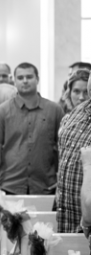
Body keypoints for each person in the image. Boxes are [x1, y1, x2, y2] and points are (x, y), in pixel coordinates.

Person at [0, 62, 64, 195]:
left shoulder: (54, 110)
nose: (25, 81)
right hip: (10, 186)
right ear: (14, 81)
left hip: (47, 186)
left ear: (37, 79)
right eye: (20, 78)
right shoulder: (2, 111)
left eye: (29, 77)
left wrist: (62, 180)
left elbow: (63, 147)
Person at [56, 70, 91, 233]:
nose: (82, 96)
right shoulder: (78, 112)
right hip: (66, 214)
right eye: (77, 91)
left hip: (87, 219)